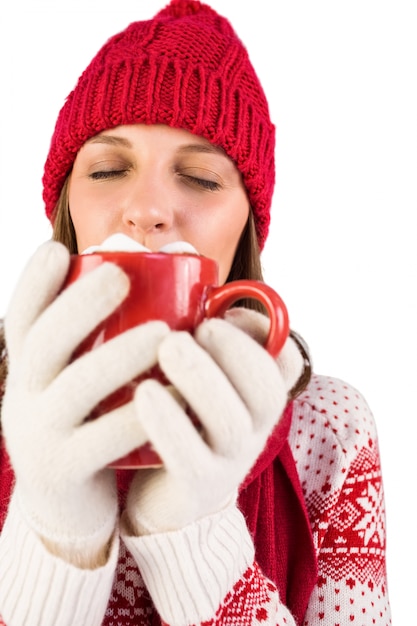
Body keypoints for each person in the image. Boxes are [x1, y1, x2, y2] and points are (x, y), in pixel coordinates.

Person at [0, 1, 391, 624]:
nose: (148, 208)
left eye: (203, 179)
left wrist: (194, 537)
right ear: (67, 207)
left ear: (246, 231)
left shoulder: (329, 429)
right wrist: (55, 536)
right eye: (107, 168)